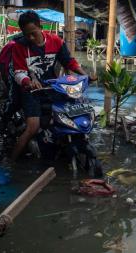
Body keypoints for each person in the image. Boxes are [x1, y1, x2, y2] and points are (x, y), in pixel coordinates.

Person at [10, 11, 88, 160]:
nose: (31, 38)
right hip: (30, 91)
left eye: (33, 33)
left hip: (52, 87)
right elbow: (19, 72)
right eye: (27, 35)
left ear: (41, 27)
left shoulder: (56, 41)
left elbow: (69, 61)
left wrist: (84, 75)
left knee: (68, 114)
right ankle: (12, 161)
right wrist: (29, 82)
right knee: (32, 127)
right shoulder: (19, 46)